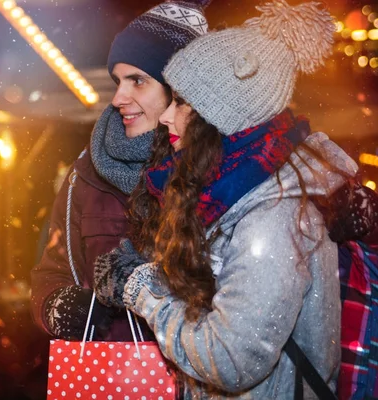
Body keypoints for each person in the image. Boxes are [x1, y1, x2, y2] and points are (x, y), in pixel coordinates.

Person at [94, 0, 363, 397]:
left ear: (219, 117)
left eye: (181, 103)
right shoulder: (230, 196)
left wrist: (141, 289)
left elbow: (230, 358)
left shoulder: (274, 213)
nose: (167, 116)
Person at [30, 0, 211, 341]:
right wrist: (56, 306)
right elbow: (49, 272)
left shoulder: (218, 172)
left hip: (198, 382)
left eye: (138, 81)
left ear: (180, 92)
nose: (118, 97)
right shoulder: (88, 173)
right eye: (118, 81)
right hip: (109, 376)